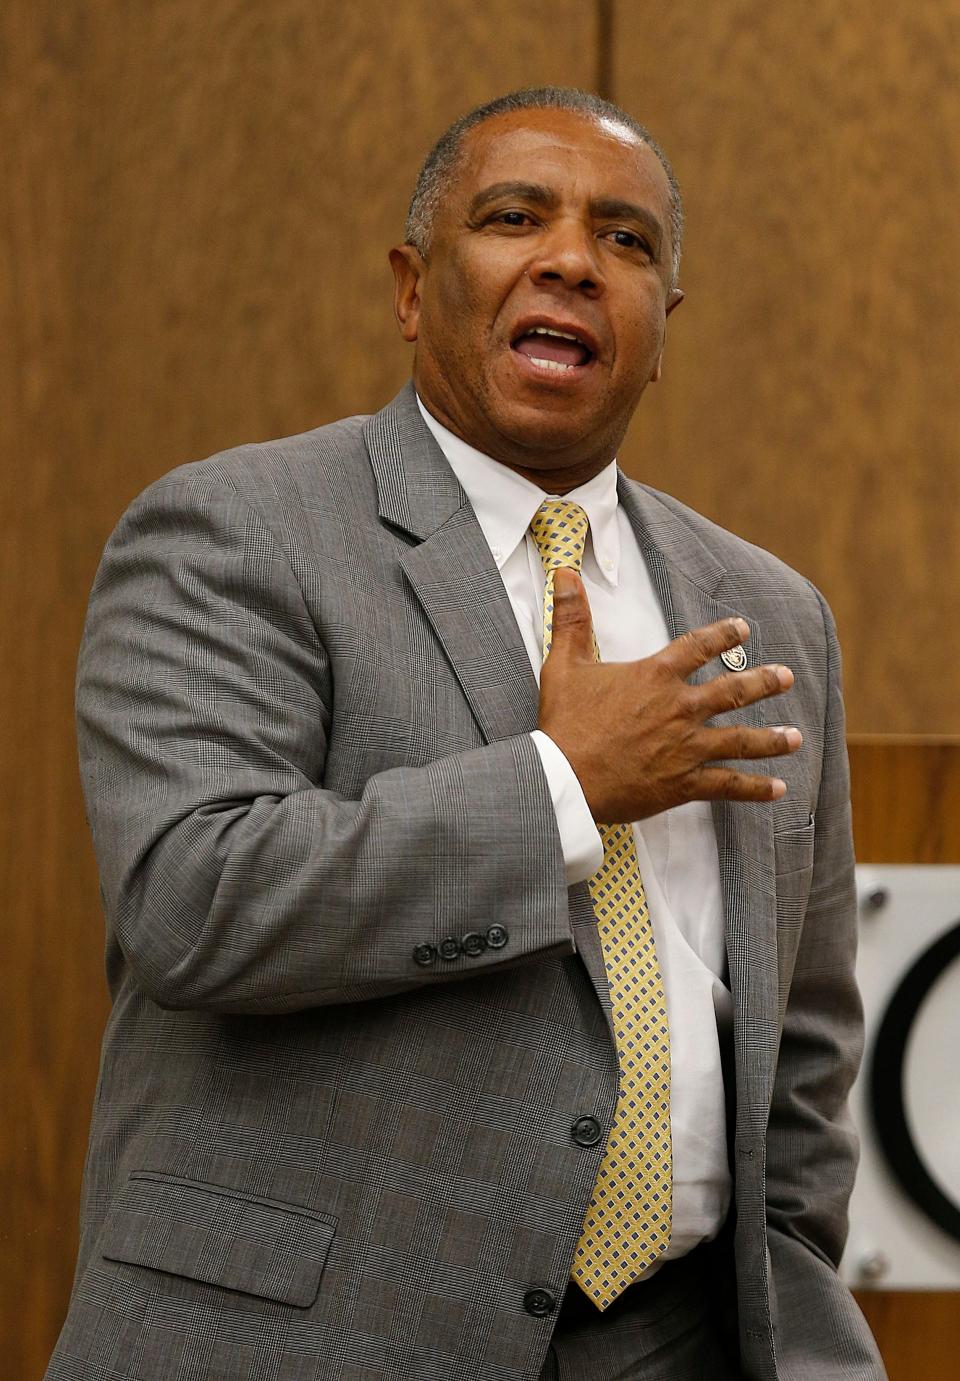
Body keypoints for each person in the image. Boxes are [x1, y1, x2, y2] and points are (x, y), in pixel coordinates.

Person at [47, 88, 885, 1381]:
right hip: (319, 1338)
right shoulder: (235, 531)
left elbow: (807, 1034)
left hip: (677, 1337)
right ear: (409, 284)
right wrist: (563, 785)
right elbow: (192, 897)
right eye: (514, 218)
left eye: (627, 240)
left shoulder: (768, 609)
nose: (571, 259)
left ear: (663, 329)